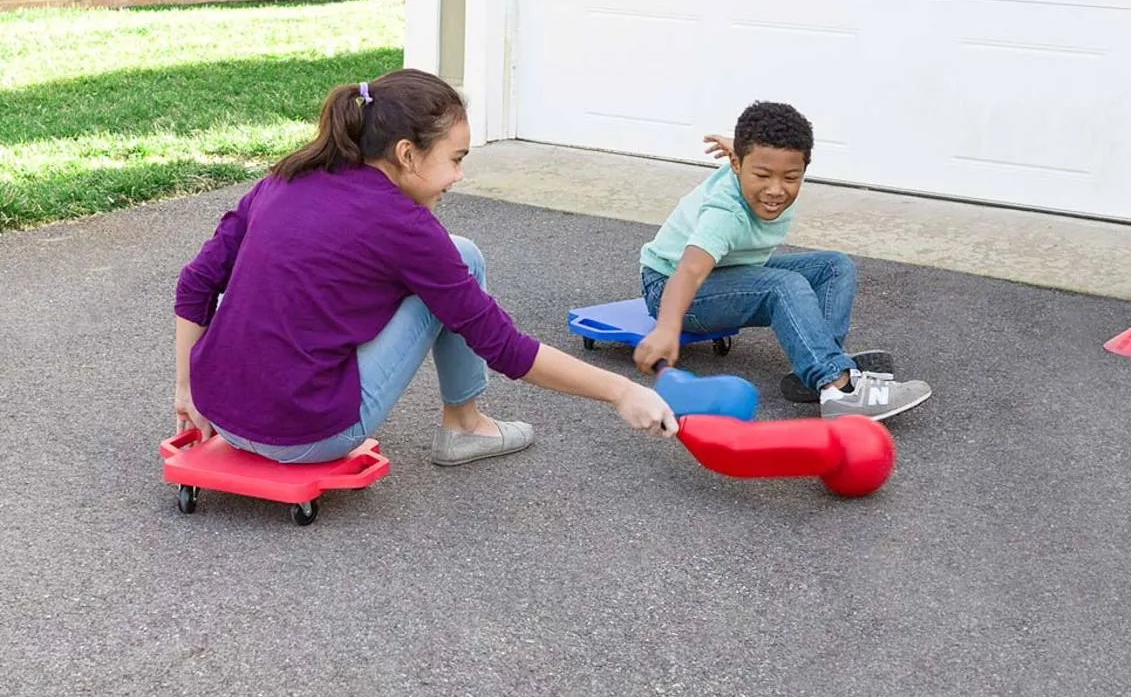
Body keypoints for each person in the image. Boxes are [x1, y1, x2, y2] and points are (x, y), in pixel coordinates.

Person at [174, 69, 676, 465]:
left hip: (215, 410)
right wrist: (621, 391)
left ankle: (464, 422)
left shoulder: (288, 177)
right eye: (455, 159)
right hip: (309, 436)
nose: (459, 176)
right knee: (463, 258)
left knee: (440, 262)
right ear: (407, 154)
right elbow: (503, 347)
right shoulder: (405, 226)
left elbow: (196, 281)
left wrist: (187, 391)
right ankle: (465, 425)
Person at [633, 100, 932, 422]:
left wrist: (739, 147)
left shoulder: (756, 162)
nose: (776, 190)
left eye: (791, 177)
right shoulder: (725, 212)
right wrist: (667, 327)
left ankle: (819, 371)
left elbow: (765, 158)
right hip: (674, 290)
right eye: (762, 175)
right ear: (737, 164)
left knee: (834, 267)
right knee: (783, 286)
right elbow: (690, 269)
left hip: (726, 272)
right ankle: (838, 388)